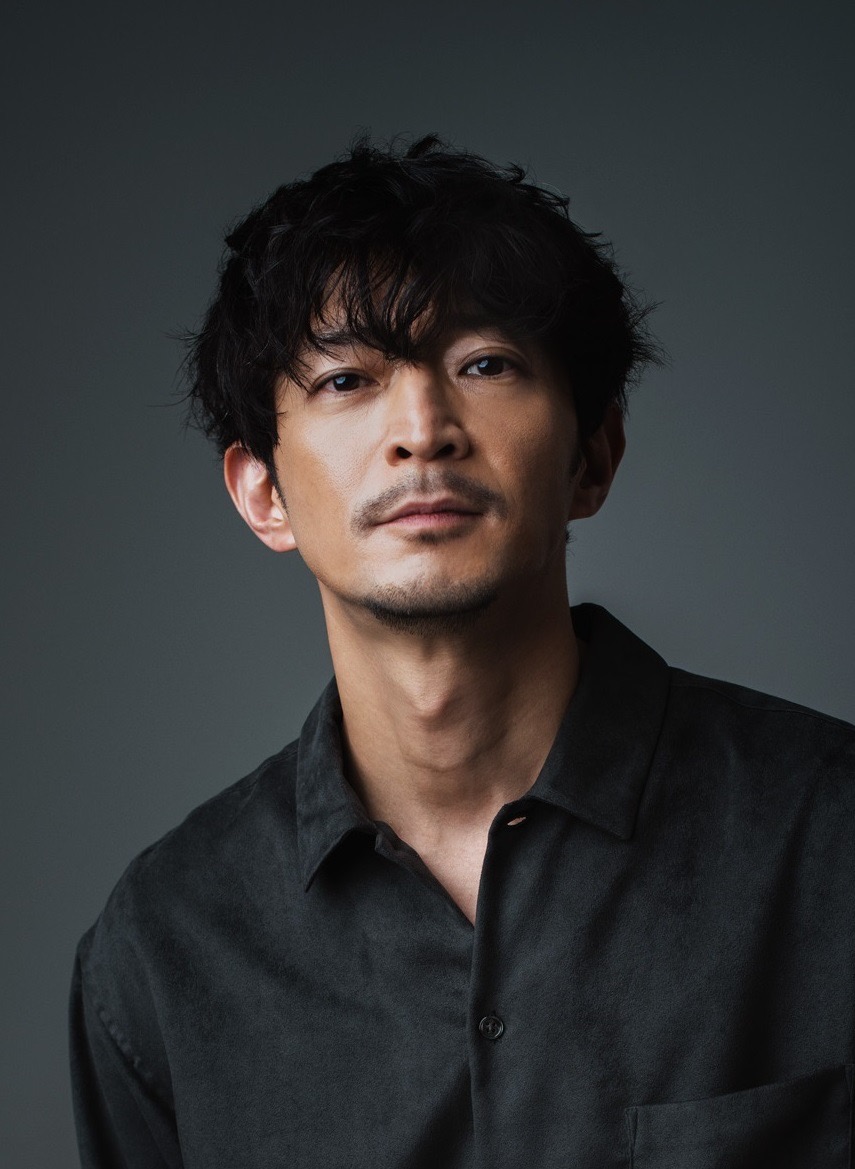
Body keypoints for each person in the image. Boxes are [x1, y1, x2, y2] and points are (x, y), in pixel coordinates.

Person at [69, 133, 855, 1169]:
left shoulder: (828, 837)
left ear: (593, 457)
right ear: (263, 493)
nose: (422, 429)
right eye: (346, 379)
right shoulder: (163, 946)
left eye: (484, 364)